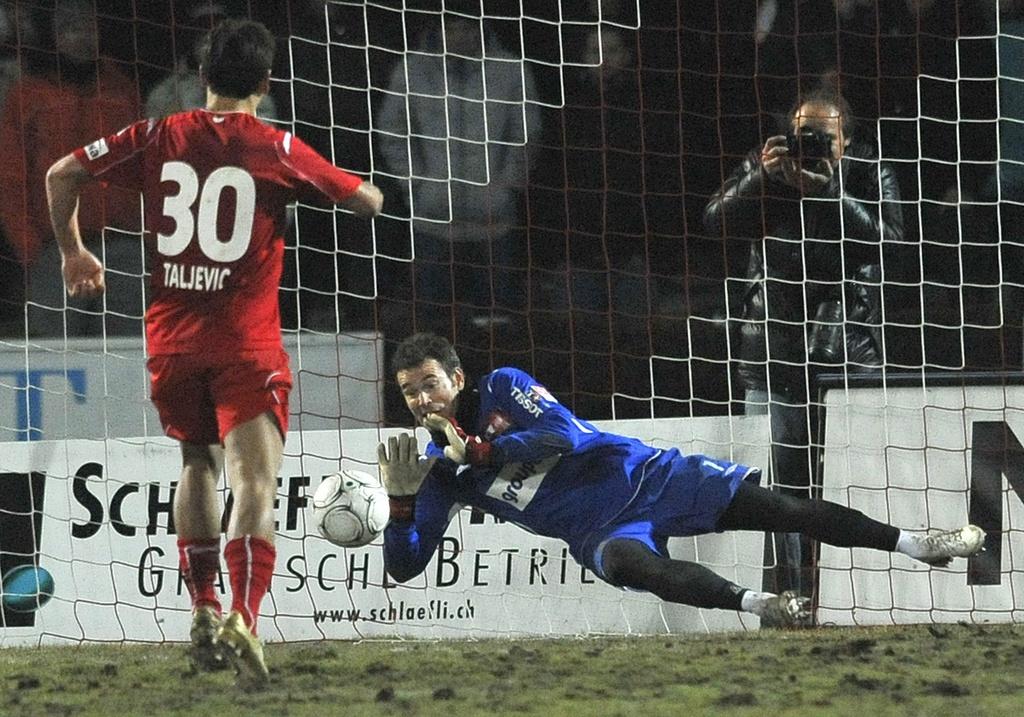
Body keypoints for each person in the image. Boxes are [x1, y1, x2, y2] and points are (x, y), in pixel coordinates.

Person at [45, 18, 382, 687]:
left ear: (202, 77)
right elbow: (366, 202)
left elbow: (62, 173)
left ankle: (201, 607)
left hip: (170, 340)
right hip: (244, 344)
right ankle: (246, 617)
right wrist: (346, 186)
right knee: (254, 479)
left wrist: (73, 252)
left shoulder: (157, 134)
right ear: (264, 81)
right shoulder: (277, 146)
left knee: (195, 464)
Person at [376, 332, 984, 627]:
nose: (423, 398)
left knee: (783, 509)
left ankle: (918, 543)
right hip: (599, 530)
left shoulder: (504, 387)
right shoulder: (436, 475)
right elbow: (404, 568)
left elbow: (567, 437)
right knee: (642, 571)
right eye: (410, 392)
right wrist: (402, 504)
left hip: (650, 475)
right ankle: (764, 605)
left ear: (457, 378)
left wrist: (483, 450)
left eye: (430, 383)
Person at [702, 86, 905, 603]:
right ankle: (787, 598)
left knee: (848, 482)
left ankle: (852, 597)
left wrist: (829, 191)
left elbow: (891, 244)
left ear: (847, 140)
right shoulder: (765, 164)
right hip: (771, 347)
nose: (809, 144)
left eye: (823, 136)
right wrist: (760, 179)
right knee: (779, 491)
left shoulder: (864, 170)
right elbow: (714, 223)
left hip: (844, 351)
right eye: (802, 133)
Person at [375, 14, 540, 331]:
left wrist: (506, 185)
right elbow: (392, 130)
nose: (459, 35)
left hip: (494, 220)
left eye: (466, 27)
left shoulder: (510, 69)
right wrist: (416, 183)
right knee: (431, 328)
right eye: (451, 27)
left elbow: (527, 134)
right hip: (432, 221)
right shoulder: (413, 69)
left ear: (481, 29)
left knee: (495, 328)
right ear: (438, 29)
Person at [0, 0, 142, 337]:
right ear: (54, 36)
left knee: (128, 355)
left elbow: (144, 169)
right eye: (71, 29)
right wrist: (33, 250)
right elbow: (9, 181)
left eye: (89, 27)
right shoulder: (27, 97)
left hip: (123, 251)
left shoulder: (121, 89)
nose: (83, 37)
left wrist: (143, 240)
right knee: (57, 353)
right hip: (55, 252)